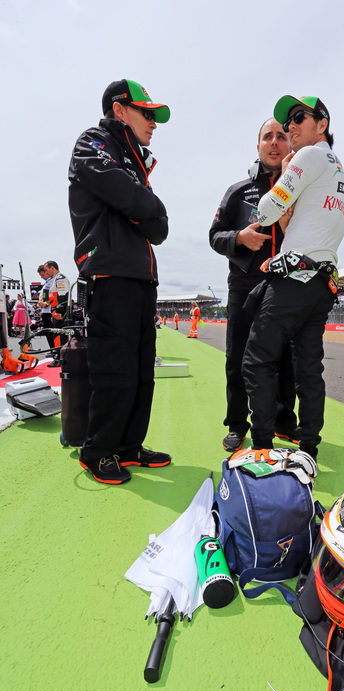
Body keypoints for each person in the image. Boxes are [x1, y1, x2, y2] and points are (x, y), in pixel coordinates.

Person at [68, 78, 171, 484]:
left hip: (142, 277)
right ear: (119, 109)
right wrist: (147, 206)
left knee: (142, 369)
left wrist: (144, 208)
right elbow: (130, 198)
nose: (154, 122)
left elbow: (158, 228)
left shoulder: (134, 159)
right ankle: (97, 450)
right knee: (115, 369)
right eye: (147, 113)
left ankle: (128, 446)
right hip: (109, 273)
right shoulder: (92, 142)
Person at [242, 96, 344, 460]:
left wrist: (286, 171)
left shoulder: (310, 156)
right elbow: (297, 224)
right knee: (308, 370)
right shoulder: (341, 173)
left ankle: (261, 450)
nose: (290, 126)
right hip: (322, 282)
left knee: (257, 361)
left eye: (299, 118)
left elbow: (267, 210)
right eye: (288, 121)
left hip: (294, 279)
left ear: (322, 124)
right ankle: (308, 451)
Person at [209, 117, 297, 452]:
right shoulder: (237, 191)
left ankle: (284, 421)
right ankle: (236, 423)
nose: (275, 142)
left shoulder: (303, 188)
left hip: (287, 285)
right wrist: (240, 238)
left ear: (290, 145)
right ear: (258, 146)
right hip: (245, 286)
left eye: (281, 137)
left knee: (285, 358)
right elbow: (214, 236)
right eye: (268, 137)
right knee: (238, 358)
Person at [43, 261, 70, 367]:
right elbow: (53, 299)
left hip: (60, 313)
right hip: (55, 312)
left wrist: (59, 312)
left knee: (60, 336)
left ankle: (60, 358)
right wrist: (52, 313)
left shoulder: (60, 278)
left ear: (52, 268)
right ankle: (59, 357)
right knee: (57, 335)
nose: (45, 272)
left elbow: (63, 297)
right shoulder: (54, 280)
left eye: (46, 269)